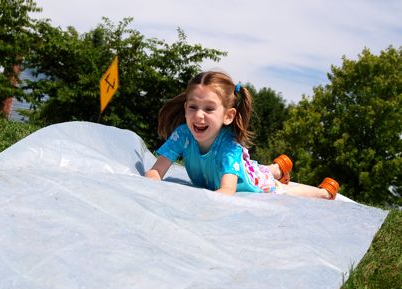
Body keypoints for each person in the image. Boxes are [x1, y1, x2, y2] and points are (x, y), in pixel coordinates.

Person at [144, 71, 340, 200]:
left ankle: (323, 192)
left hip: (247, 183)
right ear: (185, 108)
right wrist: (150, 184)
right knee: (252, 167)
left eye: (209, 109)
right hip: (237, 169)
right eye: (193, 107)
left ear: (228, 116)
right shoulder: (183, 134)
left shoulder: (229, 148)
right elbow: (156, 171)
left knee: (280, 188)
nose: (198, 115)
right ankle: (276, 168)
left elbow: (227, 190)